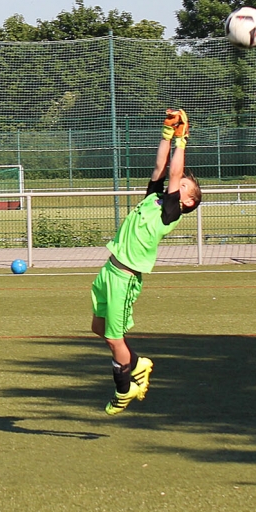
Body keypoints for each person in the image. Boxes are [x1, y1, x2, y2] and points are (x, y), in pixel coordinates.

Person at [90, 108, 202, 415]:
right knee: (98, 327)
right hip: (109, 270)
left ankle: (124, 390)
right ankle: (138, 363)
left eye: (184, 187)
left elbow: (175, 173)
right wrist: (167, 133)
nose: (178, 183)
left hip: (125, 277)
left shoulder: (171, 211)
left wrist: (182, 139)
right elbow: (161, 167)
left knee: (114, 339)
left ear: (188, 201)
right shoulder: (155, 198)